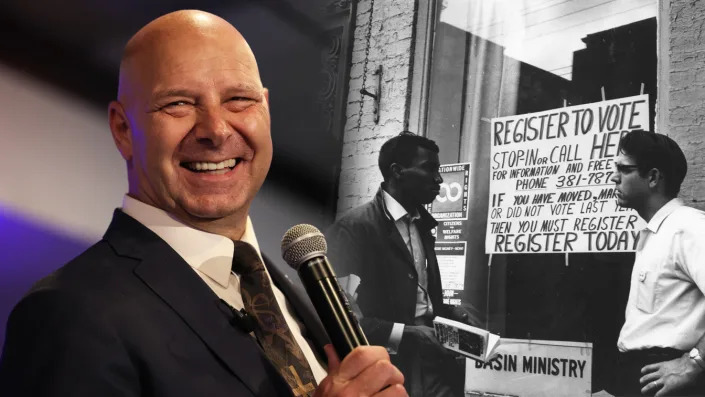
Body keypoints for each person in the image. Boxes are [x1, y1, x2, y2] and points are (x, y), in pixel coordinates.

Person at [0, 10, 407, 397]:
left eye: (239, 100)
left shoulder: (288, 290)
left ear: (265, 109)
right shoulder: (68, 313)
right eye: (177, 103)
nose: (215, 128)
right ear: (124, 129)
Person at [326, 132, 481, 397]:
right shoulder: (353, 230)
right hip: (389, 373)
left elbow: (419, 297)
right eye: (429, 169)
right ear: (397, 171)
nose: (439, 179)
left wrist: (454, 313)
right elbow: (343, 320)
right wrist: (409, 334)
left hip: (434, 366)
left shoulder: (422, 225)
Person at [608, 130, 705, 396]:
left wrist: (695, 363)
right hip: (639, 377)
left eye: (623, 169)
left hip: (669, 382)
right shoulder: (656, 233)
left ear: (652, 177)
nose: (613, 177)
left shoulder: (688, 228)